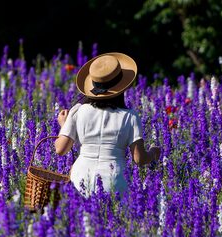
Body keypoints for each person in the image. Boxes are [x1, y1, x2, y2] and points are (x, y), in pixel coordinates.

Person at [54, 52, 160, 198]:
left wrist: (63, 125)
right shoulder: (130, 116)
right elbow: (139, 158)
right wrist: (153, 153)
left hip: (80, 178)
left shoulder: (78, 110)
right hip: (114, 182)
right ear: (121, 87)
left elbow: (60, 149)